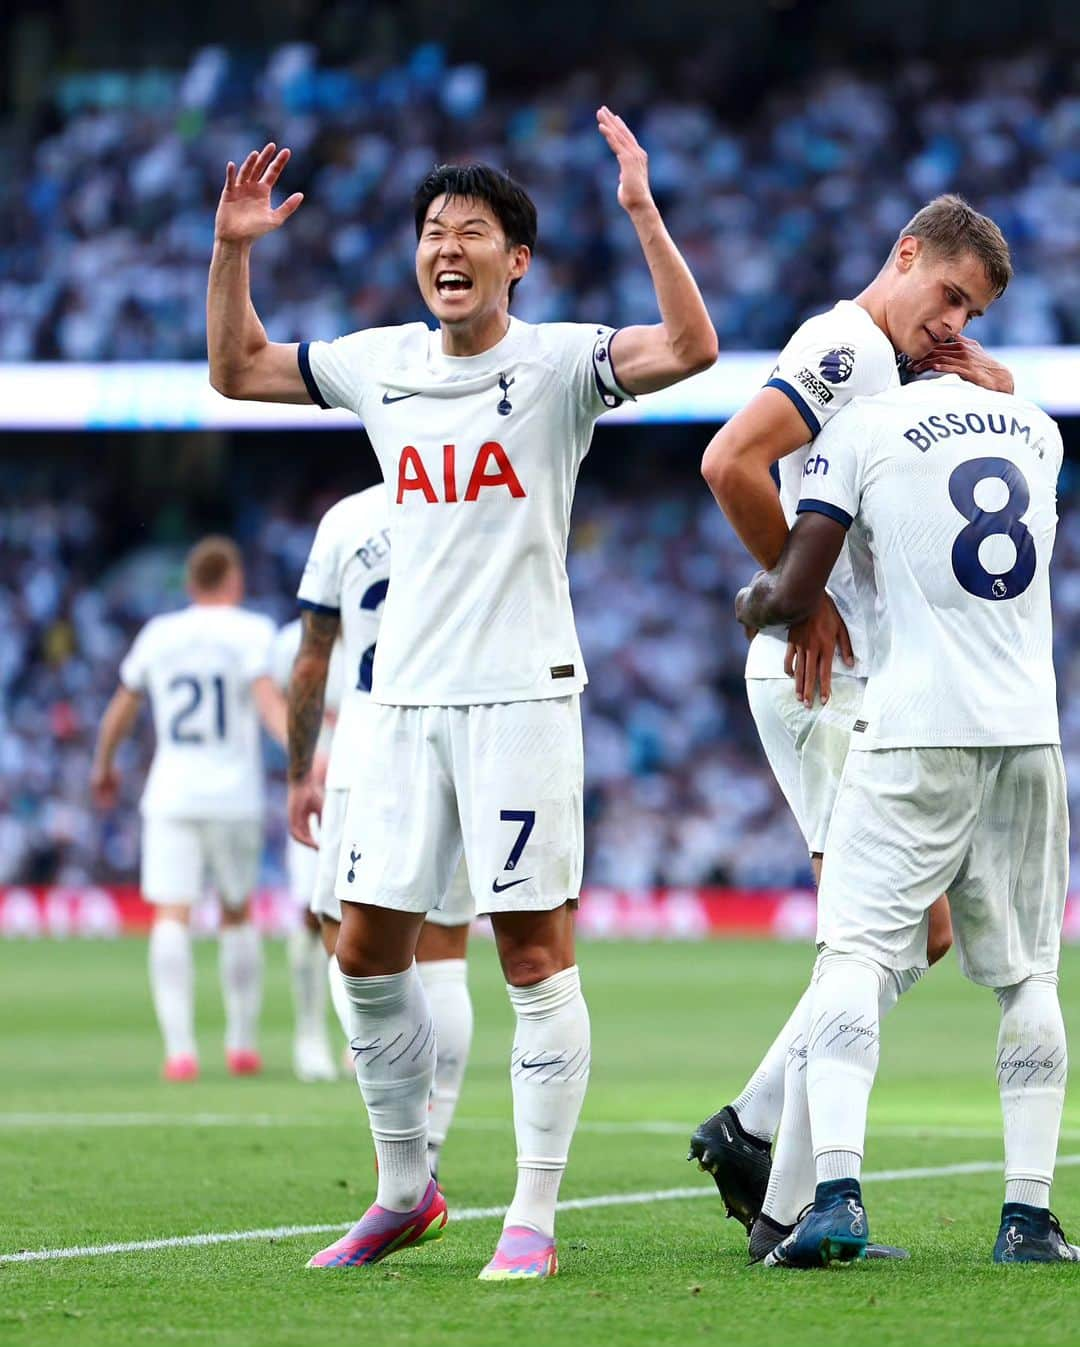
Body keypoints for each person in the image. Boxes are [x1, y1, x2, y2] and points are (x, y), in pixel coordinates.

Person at [206, 109, 717, 1278]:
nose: (449, 246)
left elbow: (691, 348)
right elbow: (237, 370)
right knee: (364, 955)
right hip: (394, 709)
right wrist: (235, 250)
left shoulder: (557, 364)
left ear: (515, 259)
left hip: (520, 699)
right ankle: (405, 1190)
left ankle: (532, 1213)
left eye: (473, 231)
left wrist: (641, 209)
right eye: (433, 229)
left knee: (532, 956)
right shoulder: (380, 361)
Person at [691, 196, 1014, 1256]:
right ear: (906, 255)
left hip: (854, 677)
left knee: (907, 932)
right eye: (949, 295)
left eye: (973, 311)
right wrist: (802, 591)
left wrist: (990, 391)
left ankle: (754, 1129)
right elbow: (731, 460)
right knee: (874, 937)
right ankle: (779, 1188)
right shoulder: (842, 347)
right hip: (820, 674)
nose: (954, 321)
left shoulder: (901, 371)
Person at [734, 372, 1075, 1266]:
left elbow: (799, 588)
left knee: (852, 952)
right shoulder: (1039, 429)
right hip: (1029, 730)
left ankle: (835, 1197)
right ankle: (1029, 1219)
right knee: (1030, 977)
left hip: (914, 726)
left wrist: (754, 605)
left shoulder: (864, 425)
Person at [285, 484, 476, 1180]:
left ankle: (401, 1151)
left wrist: (298, 771)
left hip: (366, 745)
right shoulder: (476, 496)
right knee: (444, 951)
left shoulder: (348, 518)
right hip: (460, 739)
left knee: (351, 947)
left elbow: (313, 655)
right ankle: (427, 1147)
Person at [90, 536, 285, 1080]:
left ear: (192, 582)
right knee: (236, 911)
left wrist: (102, 765)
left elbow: (121, 708)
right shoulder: (253, 631)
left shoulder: (160, 634)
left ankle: (180, 1051)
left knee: (171, 914)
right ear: (234, 578)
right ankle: (241, 1043)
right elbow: (270, 705)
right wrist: (304, 760)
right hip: (234, 795)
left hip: (172, 792)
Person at [269, 616, 343, 1082]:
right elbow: (268, 693)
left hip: (380, 778)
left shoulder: (390, 617)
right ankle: (310, 1035)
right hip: (317, 784)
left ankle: (368, 1036)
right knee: (310, 912)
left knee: (383, 912)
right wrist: (302, 746)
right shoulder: (290, 641)